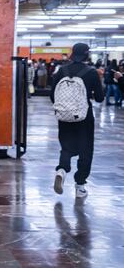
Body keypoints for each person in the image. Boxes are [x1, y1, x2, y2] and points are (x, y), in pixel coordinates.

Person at [51, 43, 104, 199]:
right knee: (86, 150)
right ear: (87, 55)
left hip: (64, 117)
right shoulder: (92, 72)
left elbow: (53, 95)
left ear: (72, 53)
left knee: (66, 147)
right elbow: (100, 98)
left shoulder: (62, 71)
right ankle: (80, 186)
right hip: (84, 117)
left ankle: (62, 169)